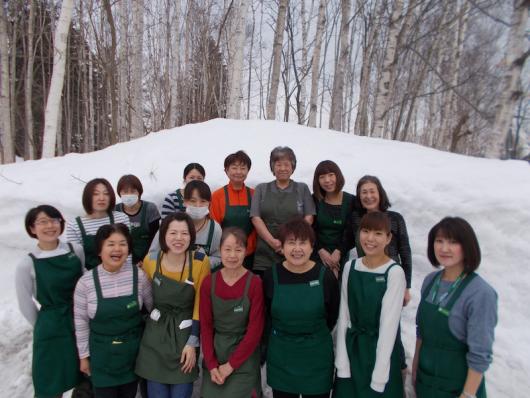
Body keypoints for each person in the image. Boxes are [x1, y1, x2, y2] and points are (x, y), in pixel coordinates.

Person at [412, 217, 497, 398]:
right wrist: (414, 373)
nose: (444, 249)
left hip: (458, 388)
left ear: (467, 246)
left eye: (453, 242)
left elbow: (480, 354)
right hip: (426, 384)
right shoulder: (430, 281)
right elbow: (421, 333)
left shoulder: (480, 293)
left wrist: (467, 394)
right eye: (439, 241)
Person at [136, 212, 210, 398]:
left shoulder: (200, 261)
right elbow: (145, 298)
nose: (179, 238)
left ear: (191, 236)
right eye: (173, 233)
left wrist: (193, 342)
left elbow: (201, 304)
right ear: (163, 235)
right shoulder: (151, 261)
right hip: (156, 334)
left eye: (184, 233)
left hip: (185, 334)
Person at [73, 224, 152, 398]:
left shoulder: (139, 276)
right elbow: (81, 323)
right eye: (110, 244)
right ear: (99, 250)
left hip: (132, 354)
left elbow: (153, 309)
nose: (117, 249)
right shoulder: (85, 283)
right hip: (101, 357)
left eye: (123, 243)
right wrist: (84, 356)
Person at [263, 217, 339, 398]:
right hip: (282, 356)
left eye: (303, 243)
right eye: (291, 243)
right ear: (281, 246)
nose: (297, 249)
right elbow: (266, 315)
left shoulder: (325, 277)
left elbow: (333, 316)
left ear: (312, 247)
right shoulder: (270, 276)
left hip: (316, 356)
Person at [15, 205, 85, 398]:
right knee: (50, 380)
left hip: (79, 318)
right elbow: (24, 302)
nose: (49, 226)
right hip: (51, 325)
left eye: (54, 221)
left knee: (85, 375)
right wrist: (44, 323)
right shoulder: (27, 263)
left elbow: (85, 279)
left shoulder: (75, 250)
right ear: (32, 228)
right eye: (42, 222)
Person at [334, 211, 406, 398]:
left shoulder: (394, 272)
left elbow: (389, 328)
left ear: (388, 238)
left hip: (380, 355)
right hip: (352, 350)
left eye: (378, 233)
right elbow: (344, 317)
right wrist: (342, 363)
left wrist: (379, 377)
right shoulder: (351, 266)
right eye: (365, 231)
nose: (370, 238)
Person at [200, 227, 264, 398]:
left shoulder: (254, 283)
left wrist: (230, 366)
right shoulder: (209, 283)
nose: (232, 255)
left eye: (238, 249)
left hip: (244, 357)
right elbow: (205, 327)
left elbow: (255, 331)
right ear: (220, 250)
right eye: (227, 249)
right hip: (216, 352)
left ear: (246, 251)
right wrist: (212, 365)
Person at [345, 175, 412, 304]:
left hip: (391, 277)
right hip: (365, 276)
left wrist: (406, 286)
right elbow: (346, 242)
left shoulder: (395, 219)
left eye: (372, 191)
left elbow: (405, 252)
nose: (368, 196)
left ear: (380, 193)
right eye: (364, 192)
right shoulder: (355, 219)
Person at [251, 147, 316, 276]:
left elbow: (309, 217)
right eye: (278, 164)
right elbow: (255, 218)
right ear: (272, 167)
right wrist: (273, 242)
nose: (282, 168)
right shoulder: (261, 189)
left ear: (293, 167)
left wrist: (291, 242)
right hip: (265, 253)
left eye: (287, 164)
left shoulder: (302, 188)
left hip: (295, 251)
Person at [150, 181, 222, 268]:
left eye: (203, 201)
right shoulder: (170, 224)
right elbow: (152, 254)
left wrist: (198, 265)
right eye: (193, 201)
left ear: (209, 203)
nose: (198, 205)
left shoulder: (215, 229)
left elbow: (218, 257)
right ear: (185, 202)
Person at [67, 178, 130, 270]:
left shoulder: (121, 218)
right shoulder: (75, 225)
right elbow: (76, 259)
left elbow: (128, 251)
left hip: (121, 273)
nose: (101, 198)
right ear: (87, 197)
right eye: (96, 194)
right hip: (90, 278)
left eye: (106, 194)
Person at [210, 150, 257, 269]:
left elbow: (257, 226)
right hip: (225, 254)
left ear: (248, 171)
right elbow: (214, 227)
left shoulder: (254, 195)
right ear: (226, 170)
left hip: (249, 254)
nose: (238, 172)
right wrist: (226, 249)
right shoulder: (217, 196)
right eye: (234, 168)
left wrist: (247, 248)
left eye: (243, 168)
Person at [312, 160, 355, 277]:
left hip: (341, 253)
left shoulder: (351, 201)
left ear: (338, 176)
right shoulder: (315, 200)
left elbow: (351, 231)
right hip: (317, 252)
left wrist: (339, 252)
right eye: (322, 177)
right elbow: (310, 229)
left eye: (331, 175)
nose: (327, 180)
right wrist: (320, 250)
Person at [115, 174, 161, 264]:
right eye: (125, 191)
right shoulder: (115, 210)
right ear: (119, 193)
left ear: (139, 192)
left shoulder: (150, 208)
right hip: (123, 259)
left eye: (133, 191)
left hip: (148, 257)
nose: (129, 195)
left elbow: (155, 238)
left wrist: (146, 260)